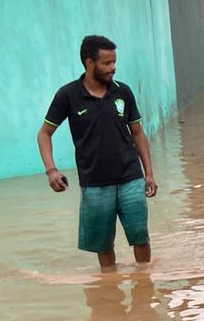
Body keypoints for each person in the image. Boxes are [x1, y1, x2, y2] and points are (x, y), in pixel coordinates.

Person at [37, 35, 158, 272]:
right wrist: (51, 170)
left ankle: (145, 281)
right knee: (103, 244)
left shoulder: (123, 92)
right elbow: (44, 134)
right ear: (89, 63)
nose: (113, 67)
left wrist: (149, 173)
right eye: (107, 63)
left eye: (114, 61)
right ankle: (109, 287)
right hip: (94, 184)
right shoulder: (68, 95)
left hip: (131, 178)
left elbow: (138, 134)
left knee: (140, 236)